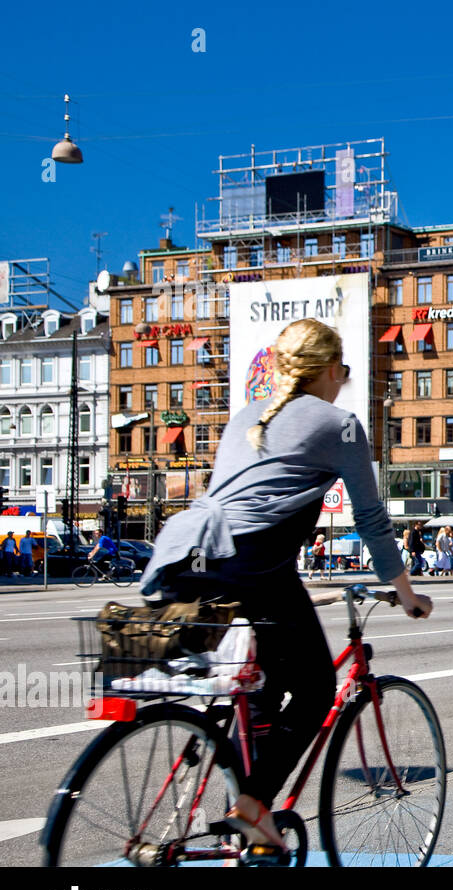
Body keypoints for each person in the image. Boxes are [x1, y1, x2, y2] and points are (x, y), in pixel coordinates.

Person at [140, 318, 432, 855]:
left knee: (266, 687)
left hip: (187, 553)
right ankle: (252, 807)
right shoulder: (340, 424)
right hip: (250, 562)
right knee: (318, 689)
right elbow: (370, 518)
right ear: (326, 370)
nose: (343, 381)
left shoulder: (244, 417)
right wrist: (407, 594)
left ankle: (241, 827)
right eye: (342, 371)